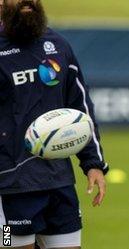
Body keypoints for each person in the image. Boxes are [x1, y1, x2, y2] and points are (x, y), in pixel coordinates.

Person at [0, 0, 108, 248]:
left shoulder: (58, 46)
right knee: (7, 244)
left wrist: (93, 164)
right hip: (9, 188)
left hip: (58, 184)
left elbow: (80, 107)